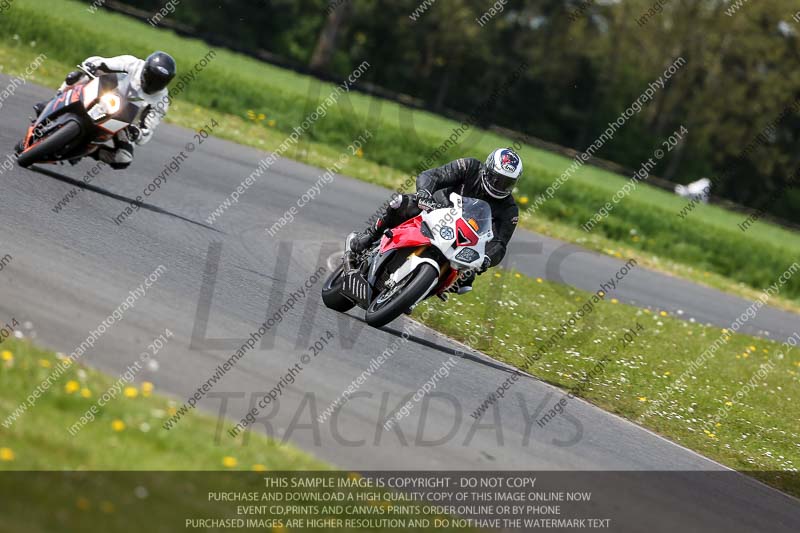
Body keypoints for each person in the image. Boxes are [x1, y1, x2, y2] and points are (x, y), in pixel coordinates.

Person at [346, 147, 523, 294]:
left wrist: (486, 259)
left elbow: (500, 244)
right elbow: (433, 175)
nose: (500, 185)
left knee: (465, 282)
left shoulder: (509, 209)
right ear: (487, 169)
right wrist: (424, 193)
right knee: (401, 204)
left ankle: (417, 292)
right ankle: (368, 237)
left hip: (464, 239)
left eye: (507, 182)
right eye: (497, 179)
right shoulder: (470, 167)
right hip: (436, 209)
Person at [28, 51, 176, 169]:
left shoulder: (161, 101)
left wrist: (137, 133)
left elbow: (147, 131)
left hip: (123, 121)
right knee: (76, 77)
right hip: (105, 92)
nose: (153, 83)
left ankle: (91, 151)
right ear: (145, 69)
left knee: (123, 159)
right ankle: (55, 99)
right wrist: (92, 66)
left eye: (159, 82)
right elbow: (103, 62)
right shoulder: (132, 64)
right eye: (151, 77)